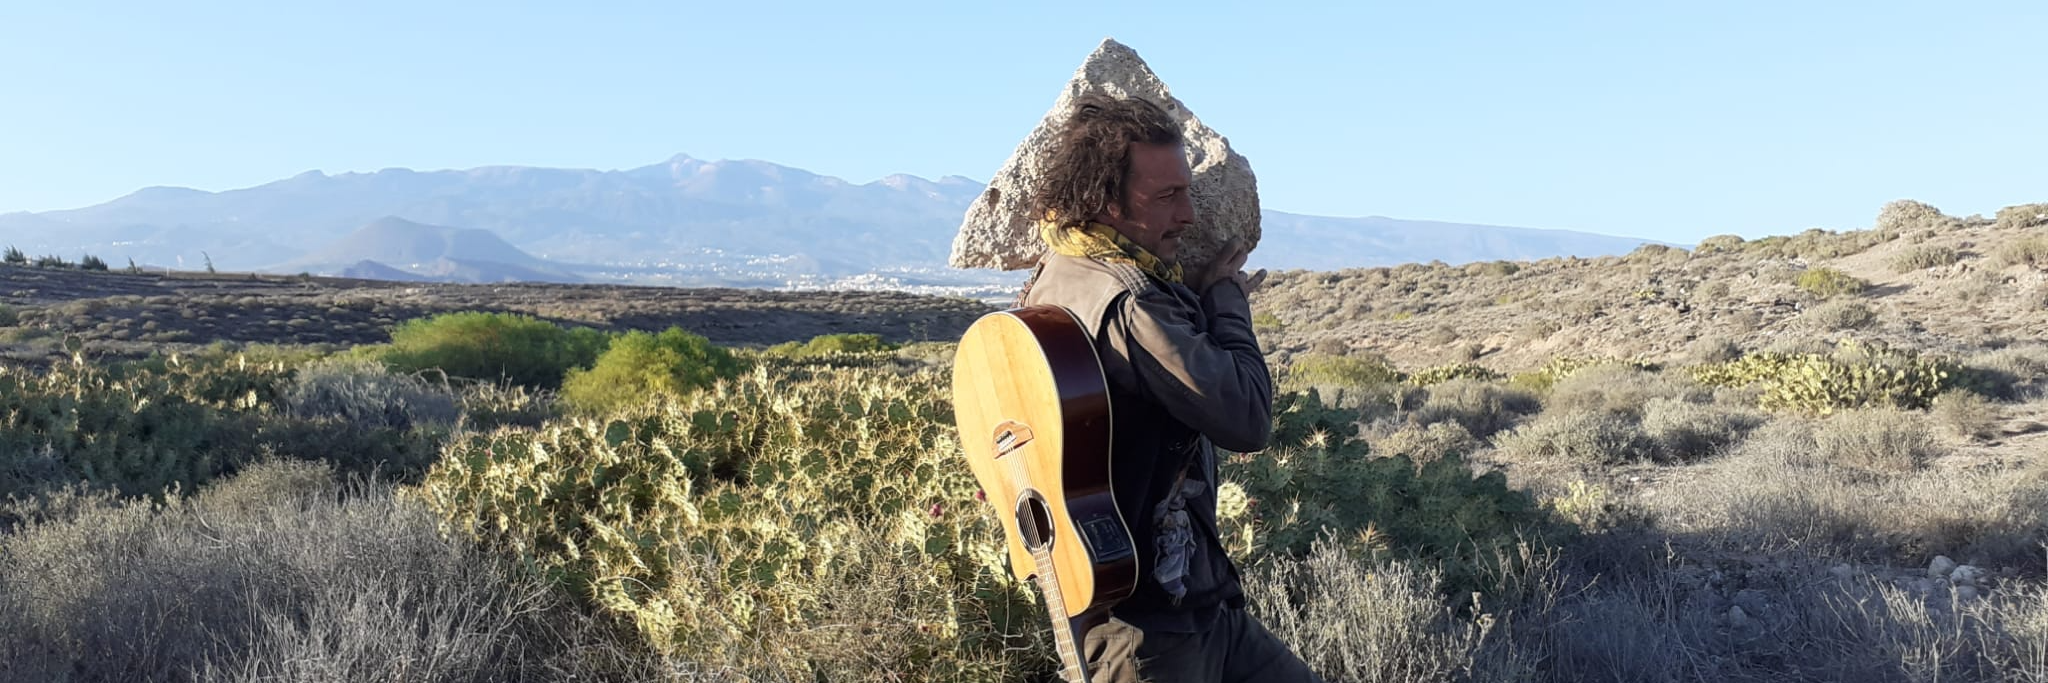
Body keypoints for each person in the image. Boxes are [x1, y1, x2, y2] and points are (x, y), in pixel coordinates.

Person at [1017, 93, 1323, 683]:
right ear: (1105, 201)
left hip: (1193, 606)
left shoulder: (1058, 273)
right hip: (1147, 632)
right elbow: (1247, 418)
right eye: (1167, 197)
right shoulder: (1132, 305)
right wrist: (1227, 302)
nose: (1188, 214)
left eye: (1185, 190)